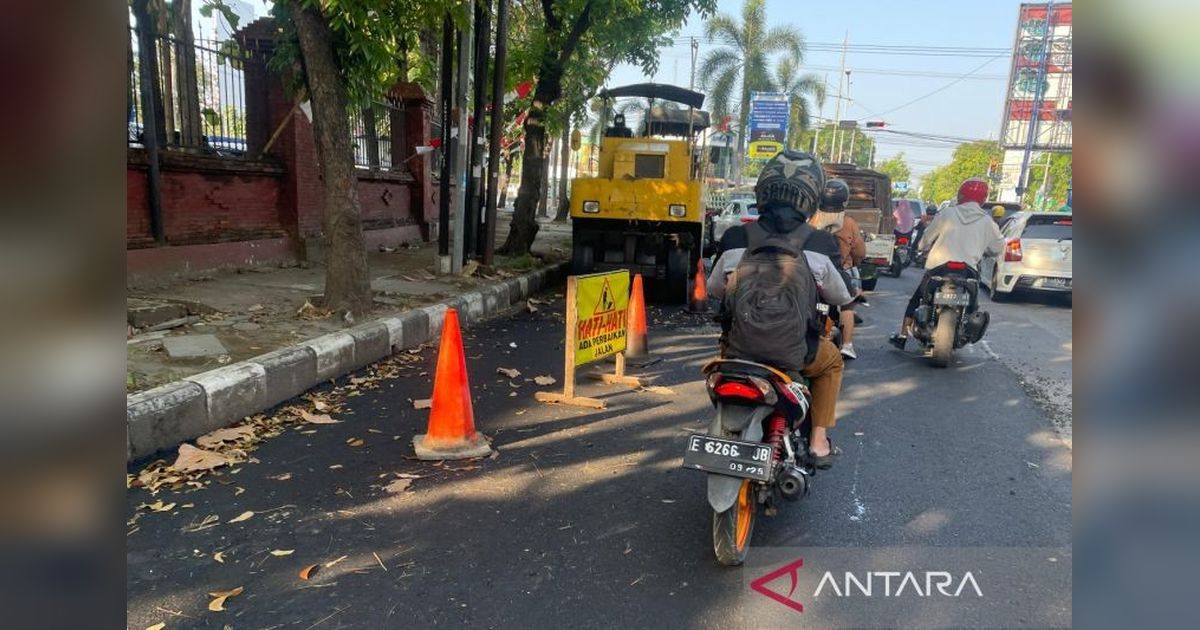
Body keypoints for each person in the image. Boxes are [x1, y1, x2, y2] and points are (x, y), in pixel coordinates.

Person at [716, 150, 846, 467]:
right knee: (832, 364)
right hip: (796, 350)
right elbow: (840, 296)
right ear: (812, 197)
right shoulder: (819, 243)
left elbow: (714, 289)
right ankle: (817, 443)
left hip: (736, 348)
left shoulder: (736, 236)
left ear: (763, 191)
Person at [889, 177, 1004, 349]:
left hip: (939, 266)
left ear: (961, 195)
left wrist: (922, 246)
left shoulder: (947, 213)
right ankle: (966, 328)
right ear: (984, 199)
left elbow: (926, 238)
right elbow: (998, 247)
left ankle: (903, 335)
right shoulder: (988, 222)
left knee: (917, 299)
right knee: (974, 303)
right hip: (968, 270)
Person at [810, 179, 867, 359]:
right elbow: (860, 251)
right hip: (840, 270)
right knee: (848, 304)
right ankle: (848, 345)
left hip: (812, 269)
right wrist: (854, 263)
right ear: (844, 200)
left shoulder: (812, 219)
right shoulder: (848, 222)